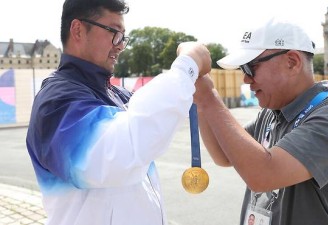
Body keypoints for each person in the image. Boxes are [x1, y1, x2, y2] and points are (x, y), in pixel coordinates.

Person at [25, 0, 211, 224]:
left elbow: (153, 123)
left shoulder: (116, 94)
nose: (120, 45)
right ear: (77, 30)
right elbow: (125, 149)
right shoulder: (56, 102)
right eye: (114, 32)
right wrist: (186, 67)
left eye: (123, 36)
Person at [194, 17, 328, 225]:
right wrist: (201, 100)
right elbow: (223, 155)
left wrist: (209, 98)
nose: (246, 79)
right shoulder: (273, 112)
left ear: (292, 62)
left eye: (250, 67)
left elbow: (262, 175)